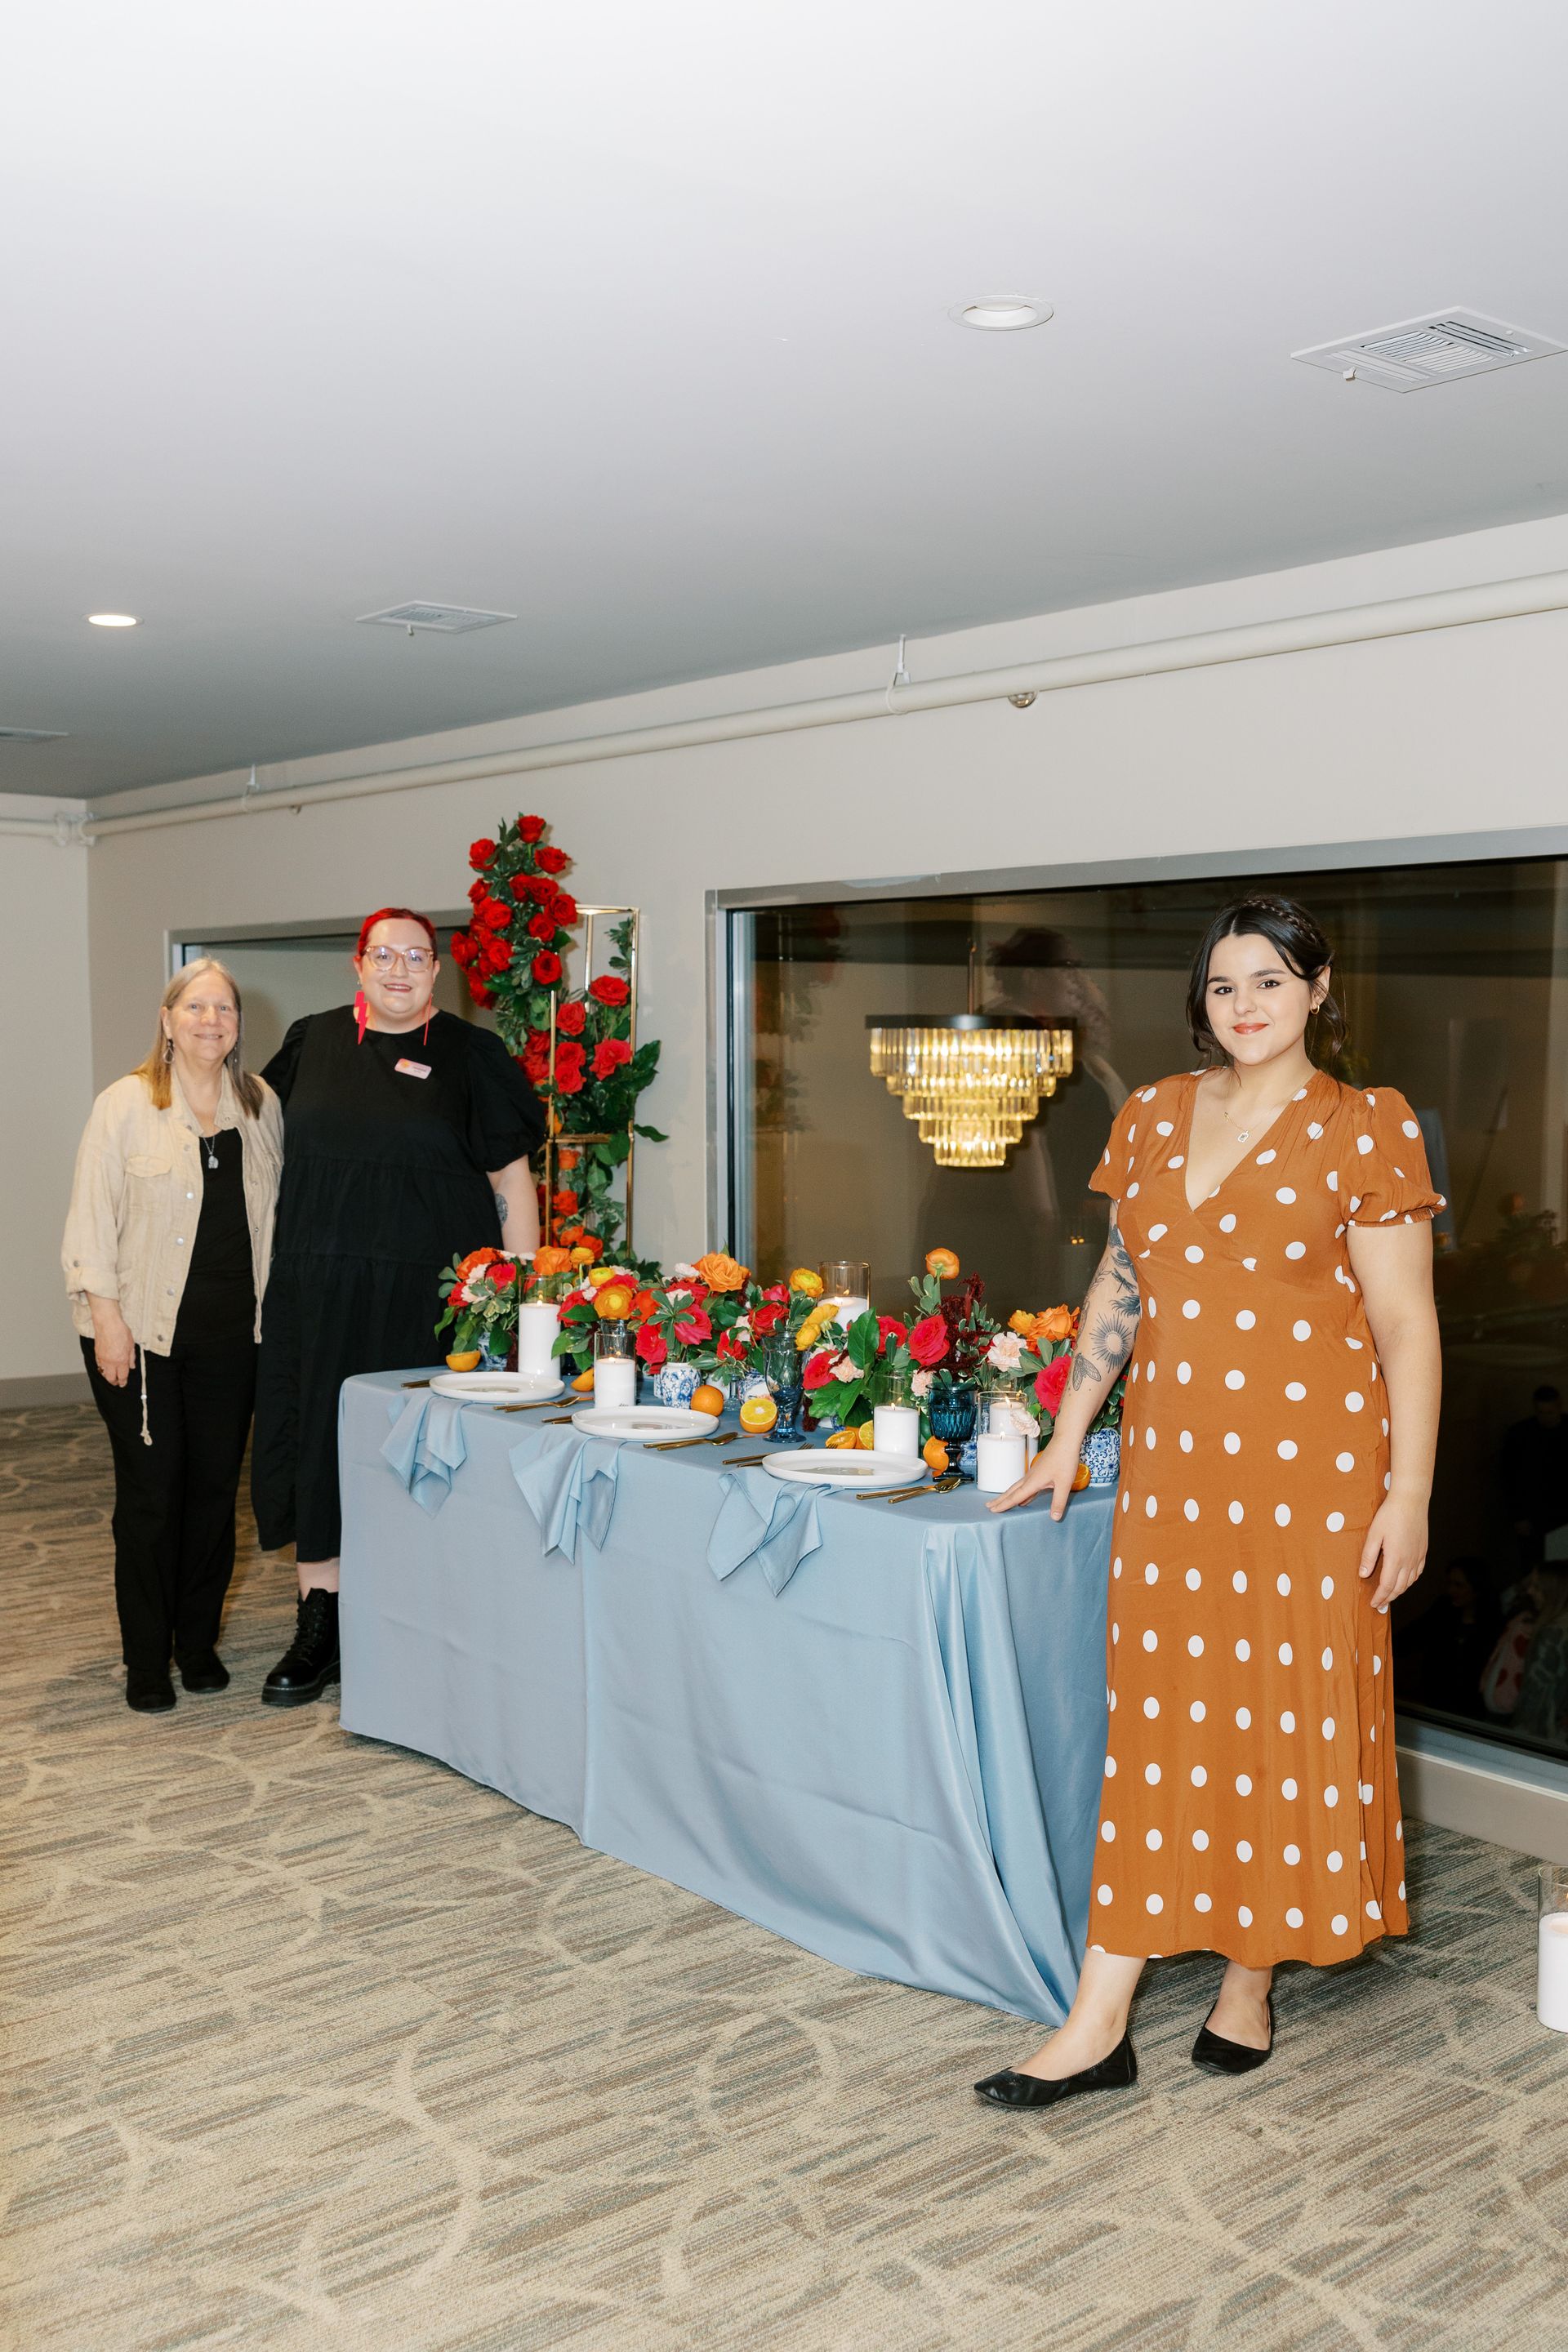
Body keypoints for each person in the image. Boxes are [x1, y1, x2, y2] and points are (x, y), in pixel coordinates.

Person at [980, 893, 1443, 2107]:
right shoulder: (1149, 1116)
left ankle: (1252, 1979)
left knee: (1282, 1721)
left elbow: (1405, 1323)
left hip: (1315, 1482)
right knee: (1165, 1723)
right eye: (1225, 986)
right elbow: (1121, 1283)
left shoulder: (1367, 1127)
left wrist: (1412, 1494)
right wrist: (1068, 1433)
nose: (1244, 1007)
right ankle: (1101, 2017)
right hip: (1177, 1481)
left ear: (1318, 992)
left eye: (1271, 984)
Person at [251, 907, 544, 1704]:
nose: (399, 970)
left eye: (416, 957)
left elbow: (513, 1187)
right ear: (358, 963)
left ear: (435, 972)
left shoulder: (473, 1057)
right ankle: (322, 1622)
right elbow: (256, 1159)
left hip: (433, 1297)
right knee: (319, 1443)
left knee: (422, 1455)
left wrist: (517, 1307)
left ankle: (422, 1622)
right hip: (315, 1287)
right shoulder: (310, 1044)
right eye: (384, 954)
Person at [62, 960, 283, 1711]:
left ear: (236, 1025)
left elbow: (273, 1224)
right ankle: (146, 1659)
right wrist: (108, 1325)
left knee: (216, 1496)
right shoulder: (124, 1106)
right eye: (195, 1007)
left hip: (232, 1340)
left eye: (223, 1009)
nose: (210, 1020)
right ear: (167, 1020)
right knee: (153, 1496)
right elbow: (90, 1223)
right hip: (139, 1335)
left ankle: (196, 1644)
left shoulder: (260, 1106)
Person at [1500, 1387, 1568, 1572]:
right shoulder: (1520, 1435)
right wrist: (1518, 1516)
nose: (1546, 1417)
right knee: (1534, 1566)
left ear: (1559, 1407)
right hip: (1533, 1515)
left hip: (1563, 1514)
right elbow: (1510, 1478)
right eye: (1541, 1412)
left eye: (1550, 1412)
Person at [1508, 1566, 1568, 1746]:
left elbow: (1536, 1700)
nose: (1530, 1591)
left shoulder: (1553, 1634)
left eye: (1537, 1586)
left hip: (1544, 1740)